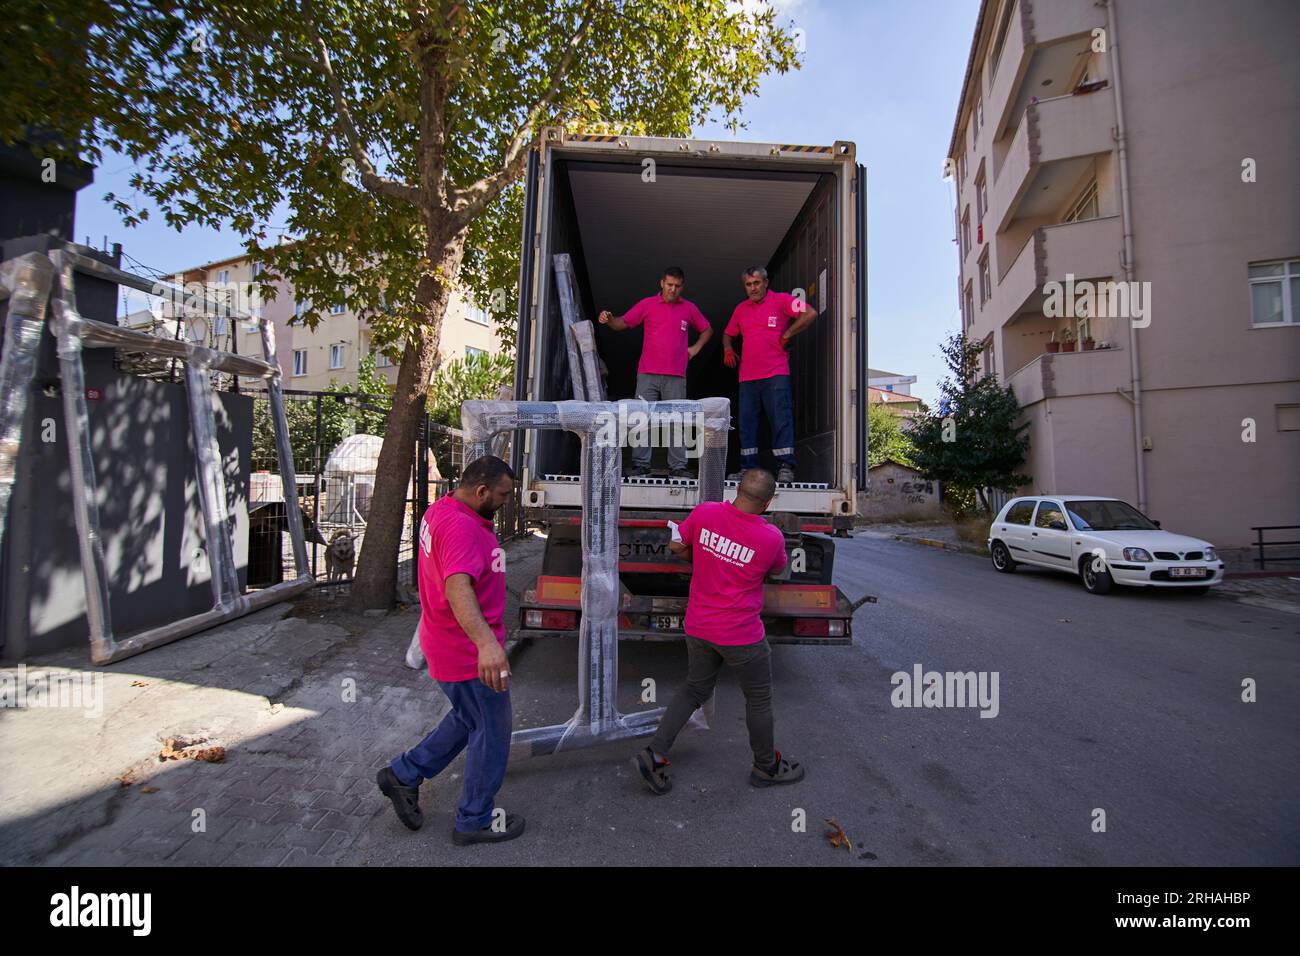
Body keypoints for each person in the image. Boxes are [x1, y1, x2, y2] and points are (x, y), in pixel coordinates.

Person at [377, 455, 524, 845]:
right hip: (467, 653)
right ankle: (473, 819)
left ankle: (404, 774)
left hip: (445, 644)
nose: (507, 501)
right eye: (503, 494)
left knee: (467, 719)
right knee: (492, 731)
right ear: (481, 491)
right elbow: (457, 590)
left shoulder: (441, 509)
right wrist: (488, 647)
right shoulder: (461, 528)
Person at [632, 468, 805, 793]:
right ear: (768, 503)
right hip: (742, 635)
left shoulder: (705, 513)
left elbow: (677, 545)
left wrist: (700, 558)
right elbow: (780, 569)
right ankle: (766, 767)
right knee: (758, 699)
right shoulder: (770, 537)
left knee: (694, 689)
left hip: (699, 626)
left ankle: (654, 753)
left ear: (736, 490)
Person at [599, 266, 712, 478]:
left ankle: (678, 466)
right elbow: (623, 323)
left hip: (676, 375)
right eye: (669, 285)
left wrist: (695, 349)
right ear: (662, 283)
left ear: (682, 286)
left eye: (677, 286)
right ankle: (641, 464)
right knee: (641, 418)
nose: (673, 289)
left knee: (678, 420)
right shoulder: (648, 304)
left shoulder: (689, 308)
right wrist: (609, 319)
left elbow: (707, 329)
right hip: (648, 373)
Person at [722, 267, 818, 484]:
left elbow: (810, 312)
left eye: (756, 283)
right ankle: (748, 468)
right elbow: (727, 334)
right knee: (747, 424)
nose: (753, 288)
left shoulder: (782, 300)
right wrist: (727, 348)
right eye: (748, 284)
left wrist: (788, 333)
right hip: (747, 377)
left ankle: (785, 466)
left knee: (780, 420)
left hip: (776, 373)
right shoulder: (740, 309)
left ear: (765, 283)